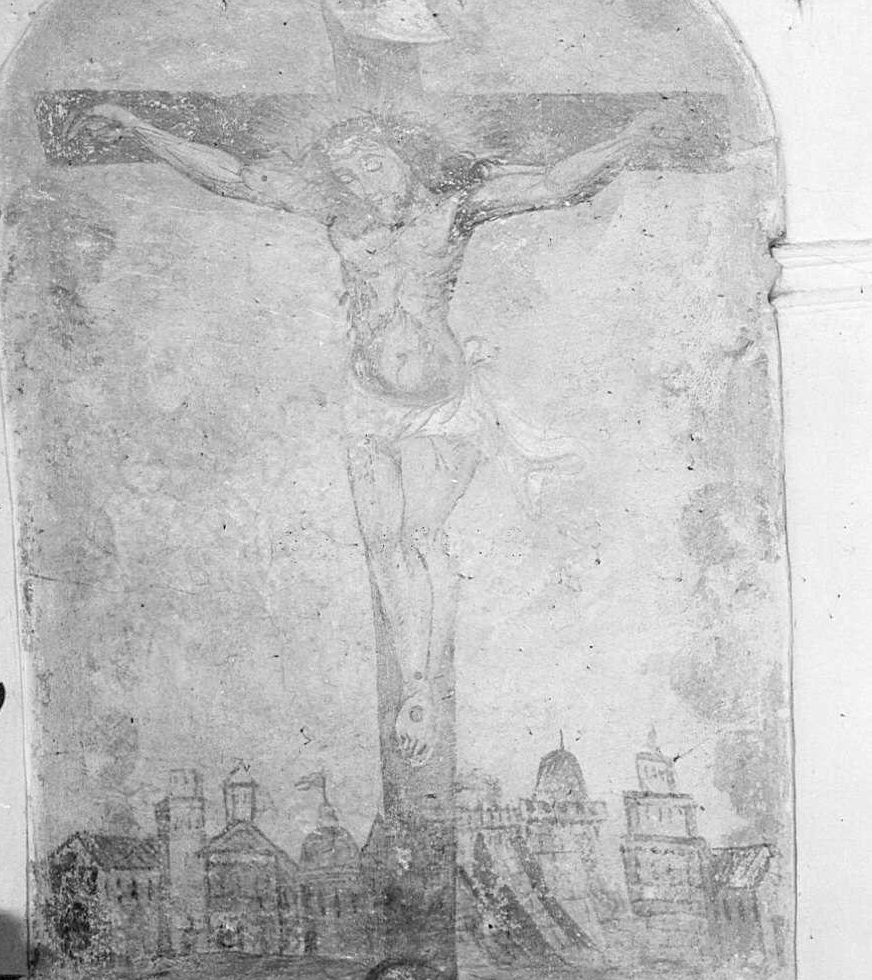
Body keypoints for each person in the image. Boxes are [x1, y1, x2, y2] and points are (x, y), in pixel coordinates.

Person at [67, 101, 664, 765]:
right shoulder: (340, 216)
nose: (360, 182)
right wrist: (138, 129)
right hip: (368, 403)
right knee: (382, 546)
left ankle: (422, 684)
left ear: (407, 157)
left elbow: (555, 184)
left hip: (441, 406)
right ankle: (415, 685)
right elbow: (234, 177)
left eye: (372, 164)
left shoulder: (454, 210)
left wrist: (632, 136)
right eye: (347, 173)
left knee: (420, 536)